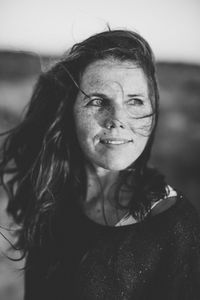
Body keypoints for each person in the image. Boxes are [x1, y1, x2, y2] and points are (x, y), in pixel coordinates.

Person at [0, 29, 200, 300]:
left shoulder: (178, 230)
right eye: (97, 100)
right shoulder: (52, 196)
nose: (117, 119)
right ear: (68, 111)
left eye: (135, 101)